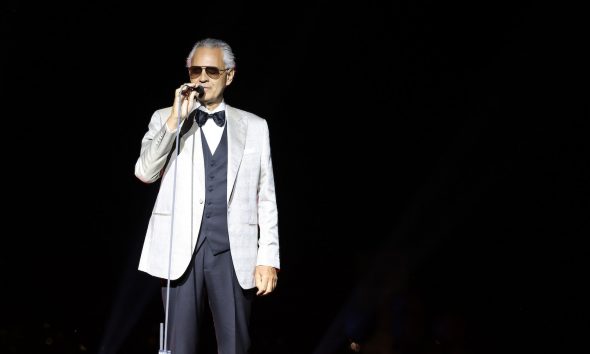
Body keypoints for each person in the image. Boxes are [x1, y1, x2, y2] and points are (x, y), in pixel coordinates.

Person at [134, 38, 280, 354]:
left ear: (229, 75)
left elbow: (265, 196)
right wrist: (176, 118)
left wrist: (267, 256)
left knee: (235, 345)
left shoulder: (254, 126)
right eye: (195, 69)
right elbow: (145, 172)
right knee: (178, 346)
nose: (201, 77)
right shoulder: (166, 118)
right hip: (180, 249)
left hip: (232, 251)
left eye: (211, 70)